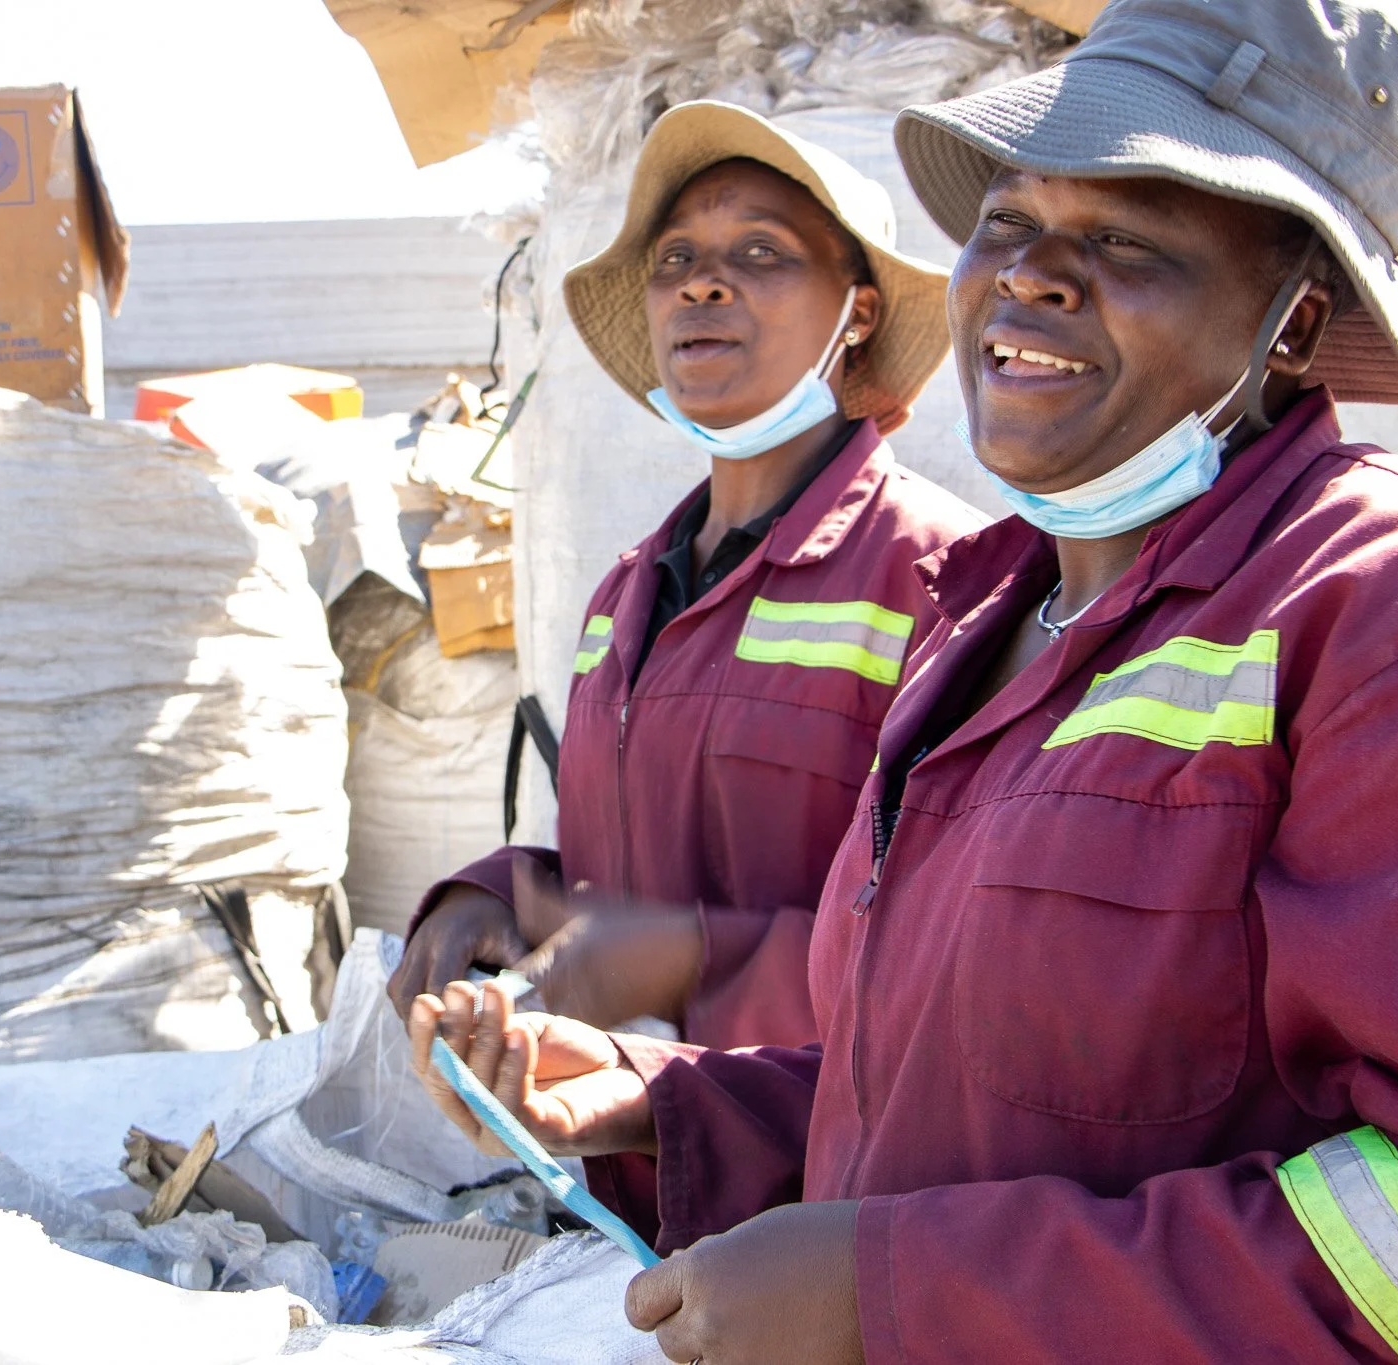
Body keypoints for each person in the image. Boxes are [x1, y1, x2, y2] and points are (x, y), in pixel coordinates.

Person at [406, 1, 1398, 1360]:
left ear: (1293, 320)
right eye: (1009, 219)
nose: (1032, 275)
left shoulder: (1388, 607)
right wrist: (662, 1100)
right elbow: (950, 1094)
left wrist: (896, 1295)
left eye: (1124, 237)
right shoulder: (988, 615)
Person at [388, 102, 981, 1049]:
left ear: (857, 312)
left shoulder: (942, 578)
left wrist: (697, 958)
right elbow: (628, 867)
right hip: (631, 1167)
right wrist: (493, 895)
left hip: (826, 1181)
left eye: (760, 253)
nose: (701, 284)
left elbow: (970, 949)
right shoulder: (628, 591)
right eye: (675, 259)